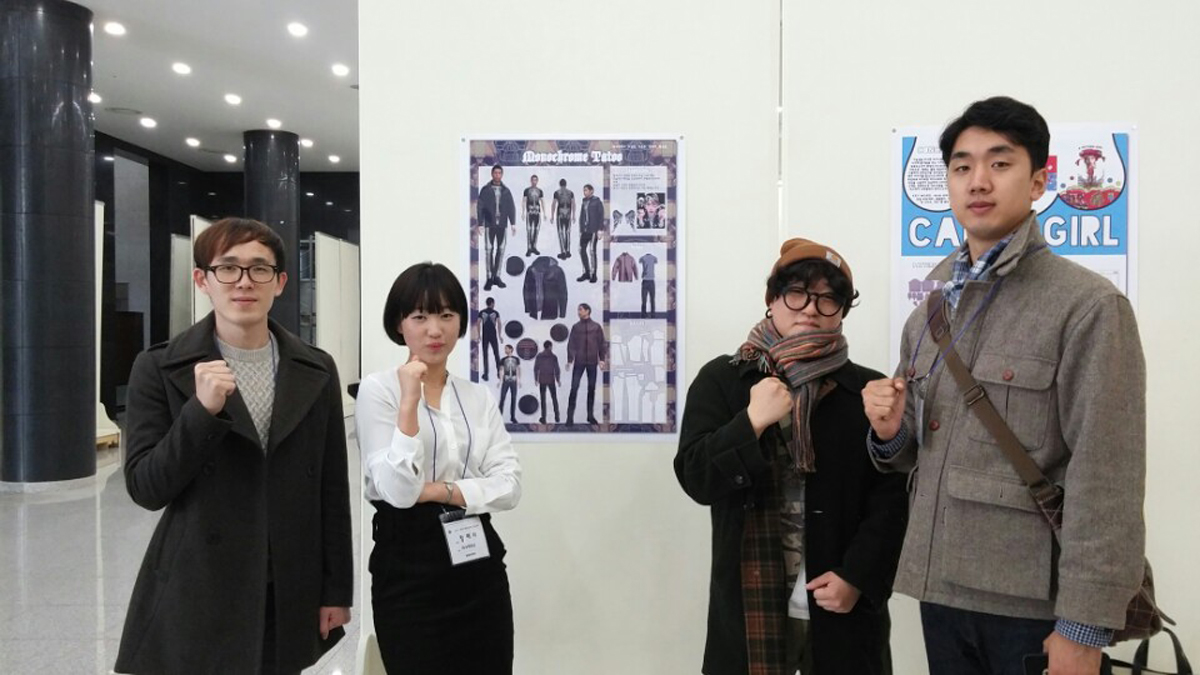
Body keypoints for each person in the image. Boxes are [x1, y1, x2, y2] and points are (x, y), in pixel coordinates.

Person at [864, 96, 1147, 675]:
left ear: (1039, 181)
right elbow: (916, 451)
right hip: (940, 591)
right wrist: (890, 433)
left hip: (1032, 608)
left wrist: (1083, 627)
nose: (978, 180)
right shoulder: (931, 311)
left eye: (1000, 163)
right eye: (962, 166)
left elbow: (1108, 476)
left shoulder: (1087, 306)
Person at [116, 217, 353, 675]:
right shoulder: (160, 367)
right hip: (200, 581)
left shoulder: (316, 369)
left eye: (259, 268)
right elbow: (146, 487)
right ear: (202, 279)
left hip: (286, 581)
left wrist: (335, 589)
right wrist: (201, 413)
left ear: (280, 282)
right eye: (228, 268)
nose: (244, 281)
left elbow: (331, 489)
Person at [675, 238, 907, 675]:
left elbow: (894, 497)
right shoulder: (724, 380)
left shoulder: (866, 390)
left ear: (842, 311)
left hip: (841, 606)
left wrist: (858, 576)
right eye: (797, 293)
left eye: (828, 299)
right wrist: (750, 423)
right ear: (772, 299)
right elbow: (696, 478)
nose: (810, 309)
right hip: (749, 606)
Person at [355, 262, 522, 674]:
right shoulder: (378, 391)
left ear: (460, 322)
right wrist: (409, 402)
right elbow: (398, 491)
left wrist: (438, 491)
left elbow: (509, 486)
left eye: (446, 315)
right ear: (399, 324)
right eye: (420, 316)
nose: (435, 329)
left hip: (477, 562)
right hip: (407, 565)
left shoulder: (477, 396)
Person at [565, 302, 606, 425]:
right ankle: (569, 418)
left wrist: (602, 359)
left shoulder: (596, 327)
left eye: (581, 310)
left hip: (592, 362)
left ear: (587, 311)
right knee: (574, 388)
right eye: (578, 310)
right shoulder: (576, 327)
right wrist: (570, 360)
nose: (579, 312)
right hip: (579, 361)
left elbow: (601, 344)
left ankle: (590, 416)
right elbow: (571, 344)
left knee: (591, 389)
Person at [478, 165, 516, 291]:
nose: (497, 175)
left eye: (499, 173)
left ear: (502, 175)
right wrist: (480, 223)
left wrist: (513, 223)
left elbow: (511, 207)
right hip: (490, 224)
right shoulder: (485, 190)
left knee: (501, 249)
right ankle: (489, 277)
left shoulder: (506, 191)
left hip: (502, 224)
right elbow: (480, 207)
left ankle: (497, 276)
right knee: (489, 250)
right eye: (495, 173)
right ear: (492, 174)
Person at [577, 183, 605, 282]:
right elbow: (582, 216)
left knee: (592, 251)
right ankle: (586, 272)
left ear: (591, 191)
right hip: (584, 231)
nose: (584, 192)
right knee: (581, 250)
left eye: (586, 190)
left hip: (593, 230)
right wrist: (580, 229)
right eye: (584, 190)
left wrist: (600, 229)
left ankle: (593, 274)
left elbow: (601, 215)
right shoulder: (584, 201)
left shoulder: (597, 201)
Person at [534, 340, 562, 424]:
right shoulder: (553, 357)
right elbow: (557, 369)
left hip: (542, 379)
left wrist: (536, 379)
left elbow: (536, 368)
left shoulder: (539, 356)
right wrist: (558, 379)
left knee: (543, 399)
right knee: (554, 398)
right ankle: (557, 416)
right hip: (551, 379)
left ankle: (543, 418)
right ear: (550, 346)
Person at [479, 296, 502, 381]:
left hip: (485, 335)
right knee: (496, 353)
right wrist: (499, 335)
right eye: (493, 303)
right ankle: (499, 373)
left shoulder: (482, 312)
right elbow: (499, 323)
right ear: (492, 303)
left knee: (485, 354)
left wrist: (479, 335)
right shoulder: (495, 313)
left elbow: (478, 323)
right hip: (493, 335)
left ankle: (486, 374)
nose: (494, 304)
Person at [522, 174, 546, 256]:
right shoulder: (527, 190)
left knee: (536, 230)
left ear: (537, 181)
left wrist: (544, 213)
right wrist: (523, 212)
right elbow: (524, 201)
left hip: (537, 212)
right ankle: (529, 248)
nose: (534, 182)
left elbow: (542, 201)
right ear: (531, 181)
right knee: (529, 230)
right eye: (533, 180)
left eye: (535, 180)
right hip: (529, 212)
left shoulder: (540, 191)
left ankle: (534, 247)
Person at [552, 178, 574, 260]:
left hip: (560, 213)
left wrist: (552, 215)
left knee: (561, 232)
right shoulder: (570, 193)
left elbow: (554, 204)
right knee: (567, 232)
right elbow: (573, 204)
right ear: (566, 184)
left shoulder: (557, 192)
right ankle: (568, 250)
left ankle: (563, 251)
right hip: (568, 212)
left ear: (560, 184)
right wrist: (573, 215)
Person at [498, 344, 521, 424]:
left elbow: (518, 369)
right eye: (505, 349)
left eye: (507, 349)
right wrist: (500, 381)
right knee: (502, 397)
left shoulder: (516, 359)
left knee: (513, 398)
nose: (505, 350)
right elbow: (501, 370)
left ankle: (512, 417)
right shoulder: (503, 359)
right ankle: (499, 416)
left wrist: (518, 380)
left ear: (511, 349)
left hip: (514, 380)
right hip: (506, 380)